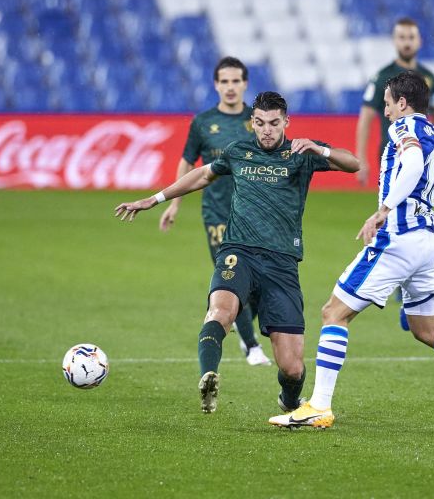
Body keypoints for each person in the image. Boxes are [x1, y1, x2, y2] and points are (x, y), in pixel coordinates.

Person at [269, 71, 434, 433]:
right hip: (427, 240)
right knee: (427, 328)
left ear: (403, 103)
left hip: (397, 237)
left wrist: (383, 210)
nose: (385, 110)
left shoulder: (404, 130)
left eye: (388, 102)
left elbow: (415, 165)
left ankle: (318, 406)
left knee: (333, 312)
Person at [115, 92, 360, 414]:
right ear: (253, 123)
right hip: (238, 252)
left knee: (293, 369)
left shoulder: (302, 152)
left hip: (282, 262)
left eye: (274, 123)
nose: (267, 130)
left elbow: (353, 164)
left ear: (286, 122)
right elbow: (203, 174)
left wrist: (320, 148)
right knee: (220, 311)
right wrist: (154, 199)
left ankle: (289, 400)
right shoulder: (239, 152)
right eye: (260, 123)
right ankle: (209, 376)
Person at [158, 56, 271, 367]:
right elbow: (187, 161)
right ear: (216, 85)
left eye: (236, 81)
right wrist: (175, 203)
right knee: (232, 277)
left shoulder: (260, 120)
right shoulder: (203, 122)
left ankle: (237, 319)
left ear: (245, 84)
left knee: (261, 285)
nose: (231, 87)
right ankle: (252, 347)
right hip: (218, 215)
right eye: (225, 81)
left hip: (257, 214)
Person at [355, 17, 434, 187]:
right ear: (394, 41)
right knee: (395, 204)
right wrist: (361, 157)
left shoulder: (429, 78)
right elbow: (366, 118)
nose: (407, 43)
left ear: (419, 41)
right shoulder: (381, 78)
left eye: (411, 37)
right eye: (402, 37)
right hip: (392, 150)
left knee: (420, 203)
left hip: (425, 151)